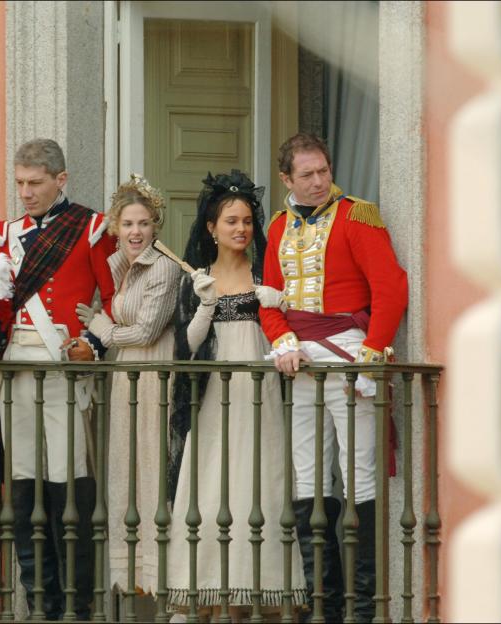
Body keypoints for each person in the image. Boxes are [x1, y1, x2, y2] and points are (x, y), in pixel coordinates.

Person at [0, 138, 116, 620]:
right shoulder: (4, 233)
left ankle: (75, 603)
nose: (26, 193)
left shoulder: (92, 228)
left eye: (35, 183)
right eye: (20, 183)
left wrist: (91, 344)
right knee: (25, 486)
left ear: (61, 180)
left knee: (67, 485)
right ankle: (41, 602)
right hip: (15, 372)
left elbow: (117, 299)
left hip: (64, 370)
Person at [260, 133, 408, 622]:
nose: (320, 181)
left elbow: (390, 289)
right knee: (309, 478)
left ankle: (362, 609)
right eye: (308, 174)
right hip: (299, 360)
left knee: (360, 477)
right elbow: (271, 298)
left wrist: (370, 359)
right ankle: (322, 603)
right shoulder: (278, 226)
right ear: (287, 179)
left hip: (349, 356)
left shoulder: (357, 216)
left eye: (323, 170)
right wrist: (280, 341)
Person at [166, 170, 304, 620]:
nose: (241, 228)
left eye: (246, 220)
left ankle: (260, 592)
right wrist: (205, 303)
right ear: (211, 228)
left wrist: (278, 302)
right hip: (212, 397)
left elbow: (290, 327)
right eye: (231, 221)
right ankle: (207, 589)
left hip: (259, 390)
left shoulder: (267, 272)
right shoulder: (198, 277)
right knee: (211, 482)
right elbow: (187, 345)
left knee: (259, 478)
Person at [75, 174, 180, 597]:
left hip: (155, 371)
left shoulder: (165, 267)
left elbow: (146, 331)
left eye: (144, 224)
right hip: (125, 377)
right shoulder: (120, 265)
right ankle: (131, 575)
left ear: (156, 226)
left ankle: (162, 576)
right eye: (128, 224)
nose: (136, 232)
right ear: (117, 227)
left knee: (153, 464)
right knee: (125, 465)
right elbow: (115, 300)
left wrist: (100, 325)